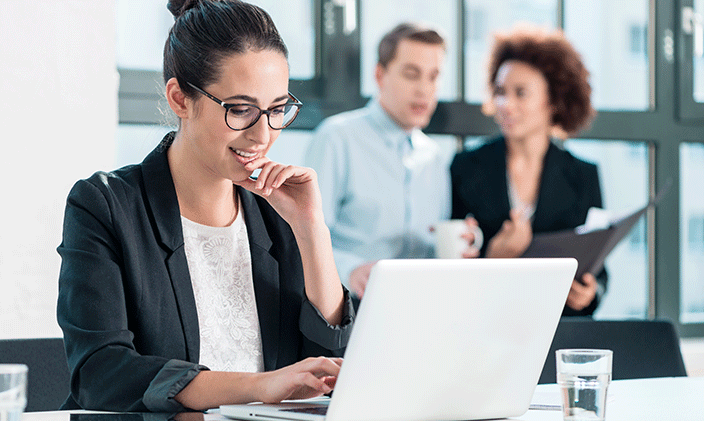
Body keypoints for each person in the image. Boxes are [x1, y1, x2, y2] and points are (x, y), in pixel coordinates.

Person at [56, 0, 354, 412]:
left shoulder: (278, 212)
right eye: (241, 109)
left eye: (277, 110)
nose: (262, 135)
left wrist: (311, 230)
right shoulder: (107, 206)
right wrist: (259, 385)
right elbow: (100, 372)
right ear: (180, 99)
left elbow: (333, 370)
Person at [305, 23, 476, 301]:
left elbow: (428, 250)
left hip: (420, 307)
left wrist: (456, 246)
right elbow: (303, 238)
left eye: (433, 77)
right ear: (379, 75)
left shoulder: (433, 157)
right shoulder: (337, 138)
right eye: (412, 74)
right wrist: (351, 270)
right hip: (349, 305)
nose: (424, 89)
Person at [450, 25, 607, 316]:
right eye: (499, 92)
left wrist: (590, 292)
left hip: (558, 329)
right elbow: (447, 268)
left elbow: (599, 270)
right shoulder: (465, 167)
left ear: (553, 101)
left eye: (521, 93)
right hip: (484, 325)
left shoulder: (583, 175)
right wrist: (494, 258)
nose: (505, 105)